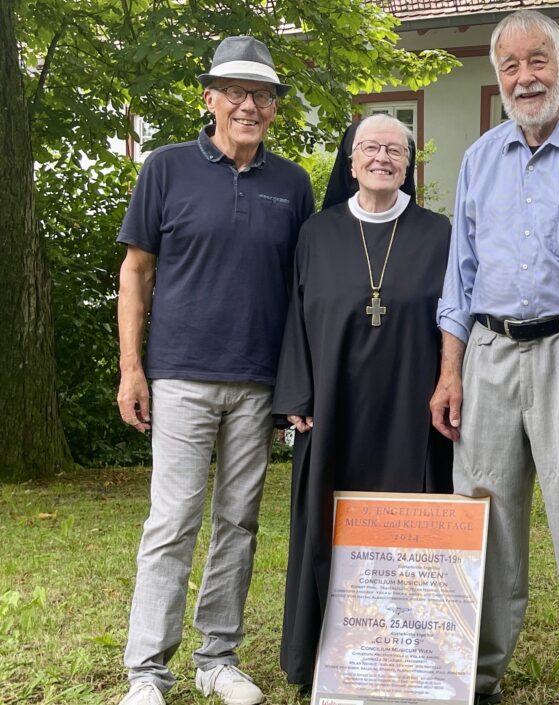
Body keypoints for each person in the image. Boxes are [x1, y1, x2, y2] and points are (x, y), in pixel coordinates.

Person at [431, 10, 559, 705]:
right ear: (500, 76)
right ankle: (475, 673)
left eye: (537, 61)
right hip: (489, 354)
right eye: (511, 66)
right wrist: (450, 369)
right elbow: (459, 276)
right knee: (480, 515)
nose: (525, 77)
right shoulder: (479, 158)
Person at [115, 36, 313, 705]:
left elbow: (301, 290)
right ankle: (147, 671)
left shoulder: (292, 185)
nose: (249, 105)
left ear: (275, 108)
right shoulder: (166, 168)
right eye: (235, 91)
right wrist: (130, 368)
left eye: (262, 95)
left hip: (256, 380)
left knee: (239, 520)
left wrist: (295, 386)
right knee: (171, 521)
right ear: (210, 99)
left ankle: (216, 657)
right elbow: (135, 273)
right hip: (179, 376)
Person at [273, 114, 453, 695]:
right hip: (333, 410)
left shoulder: (439, 233)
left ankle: (413, 656)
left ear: (409, 163)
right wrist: (296, 394)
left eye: (394, 149)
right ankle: (325, 655)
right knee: (327, 523)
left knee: (410, 522)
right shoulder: (316, 233)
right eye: (369, 148)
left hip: (411, 408)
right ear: (349, 162)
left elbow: (456, 320)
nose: (382, 158)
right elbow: (294, 319)